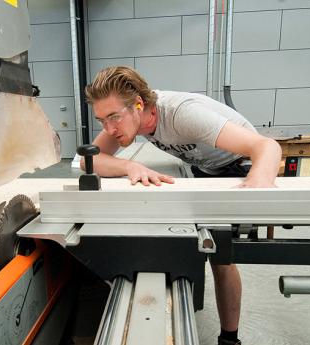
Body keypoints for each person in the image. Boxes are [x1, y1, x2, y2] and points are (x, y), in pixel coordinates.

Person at [82, 66, 282, 345]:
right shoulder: (127, 120)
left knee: (220, 254)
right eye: (102, 120)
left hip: (237, 166)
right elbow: (88, 160)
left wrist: (257, 186)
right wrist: (128, 165)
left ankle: (229, 339)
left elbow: (267, 147)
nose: (109, 129)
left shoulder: (182, 114)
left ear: (139, 105)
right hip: (204, 170)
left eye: (114, 117)